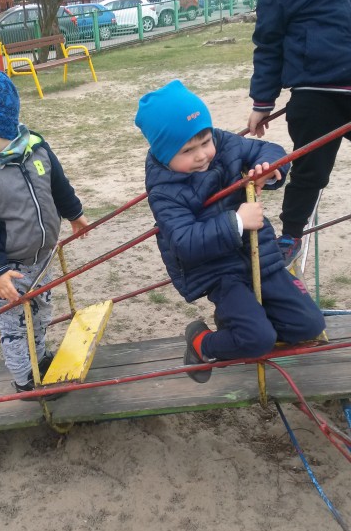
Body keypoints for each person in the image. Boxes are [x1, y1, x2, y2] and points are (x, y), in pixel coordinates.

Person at [136, 80, 325, 382]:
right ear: (163, 153)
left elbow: (269, 149)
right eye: (187, 150)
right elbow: (184, 242)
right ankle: (202, 342)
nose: (201, 155)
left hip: (262, 256)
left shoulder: (223, 144)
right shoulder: (164, 192)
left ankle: (248, 322)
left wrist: (268, 168)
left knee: (309, 325)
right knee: (257, 340)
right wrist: (236, 222)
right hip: (221, 273)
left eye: (205, 142)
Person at [0, 68, 88, 397]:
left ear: (2, 124)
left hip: (42, 259)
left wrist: (74, 213)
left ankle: (38, 359)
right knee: (14, 324)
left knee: (41, 314)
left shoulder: (36, 149)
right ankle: (24, 378)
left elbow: (58, 184)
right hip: (9, 269)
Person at [248, 0, 351, 266]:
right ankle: (291, 233)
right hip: (315, 95)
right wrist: (262, 102)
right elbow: (268, 45)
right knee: (311, 171)